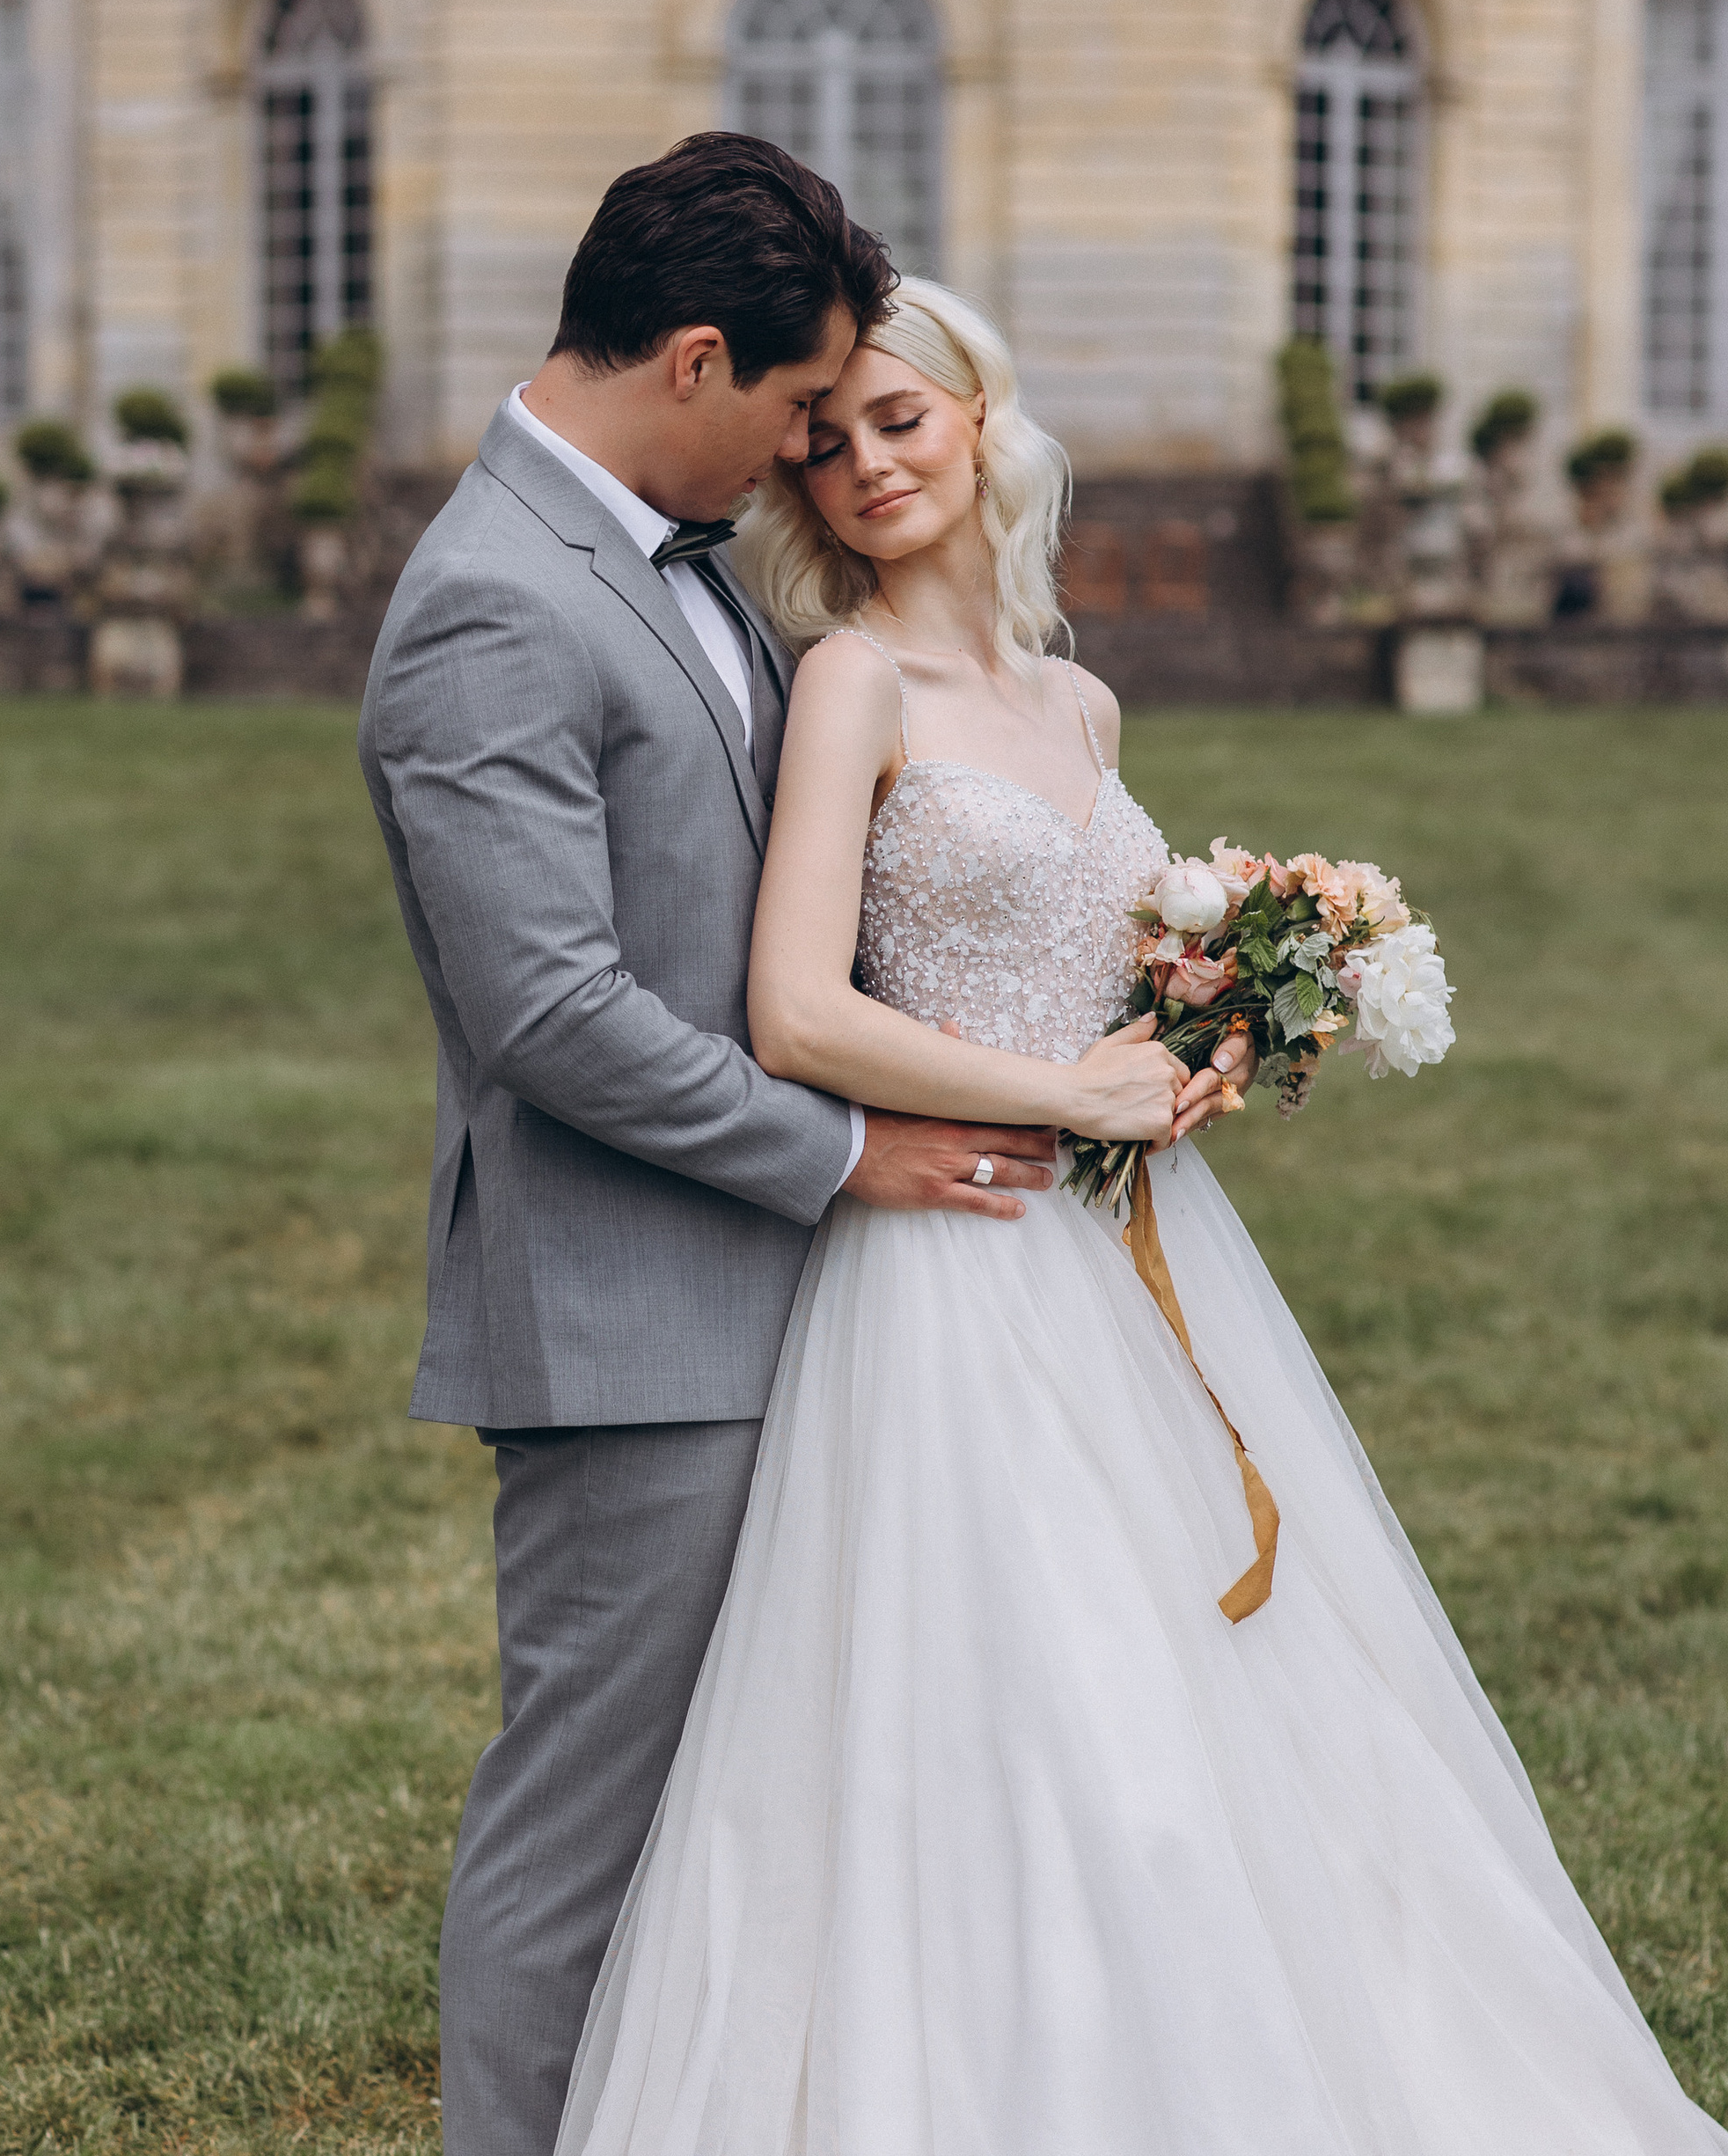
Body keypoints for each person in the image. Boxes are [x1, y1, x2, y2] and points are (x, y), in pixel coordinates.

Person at [550, 279, 1728, 2156]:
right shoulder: (851, 681)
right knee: (1048, 1715)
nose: (864, 462)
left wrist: (1204, 1029)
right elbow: (793, 1009)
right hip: (952, 1255)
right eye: (828, 438)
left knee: (1241, 1685)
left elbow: (1077, 961)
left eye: (898, 420)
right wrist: (1059, 1094)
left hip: (1134, 1246)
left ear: (978, 421)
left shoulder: (1075, 694)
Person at [357, 140, 1193, 2156]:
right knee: (594, 1829)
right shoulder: (486, 601)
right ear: (699, 357)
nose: (811, 455)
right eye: (798, 413)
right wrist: (847, 1151)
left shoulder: (681, 569)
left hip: (829, 1312)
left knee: (806, 1817)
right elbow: (547, 1014)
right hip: (641, 1320)